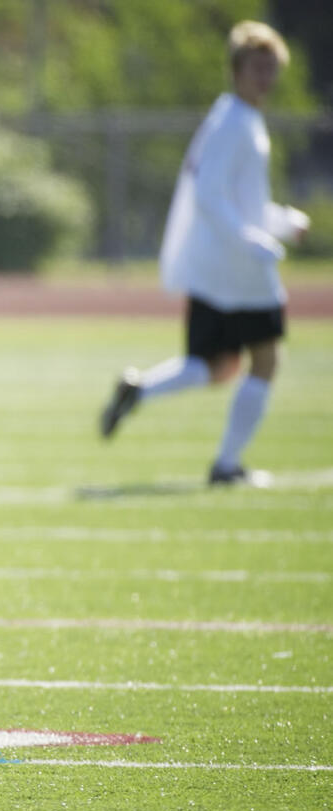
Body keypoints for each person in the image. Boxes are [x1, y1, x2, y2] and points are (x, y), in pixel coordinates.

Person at [100, 21, 309, 486]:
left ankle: (139, 389)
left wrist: (278, 220)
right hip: (240, 269)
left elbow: (239, 200)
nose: (267, 78)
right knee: (264, 361)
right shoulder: (234, 122)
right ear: (237, 69)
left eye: (272, 68)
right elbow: (211, 196)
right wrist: (252, 240)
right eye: (259, 67)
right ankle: (226, 465)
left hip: (221, 264)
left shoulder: (237, 118)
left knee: (213, 366)